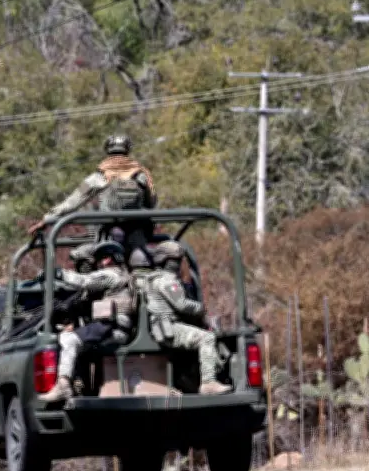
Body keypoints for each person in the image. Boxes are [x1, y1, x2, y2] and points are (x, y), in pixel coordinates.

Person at [27, 135, 157, 257]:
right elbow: (152, 202)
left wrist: (46, 219)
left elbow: (72, 201)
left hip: (109, 235)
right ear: (127, 150)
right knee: (142, 261)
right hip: (137, 234)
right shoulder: (142, 176)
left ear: (108, 151)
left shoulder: (97, 177)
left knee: (92, 256)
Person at [38, 241, 135, 403]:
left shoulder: (111, 275)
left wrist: (58, 273)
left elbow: (84, 281)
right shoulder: (124, 276)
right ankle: (79, 386)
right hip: (114, 328)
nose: (96, 264)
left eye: (99, 259)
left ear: (107, 259)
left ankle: (63, 386)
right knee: (77, 343)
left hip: (111, 329)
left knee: (68, 339)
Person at [141, 240, 232, 395]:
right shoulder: (167, 280)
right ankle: (208, 382)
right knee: (207, 338)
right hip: (169, 328)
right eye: (175, 260)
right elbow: (181, 305)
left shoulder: (153, 279)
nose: (178, 263)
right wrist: (201, 308)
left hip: (163, 327)